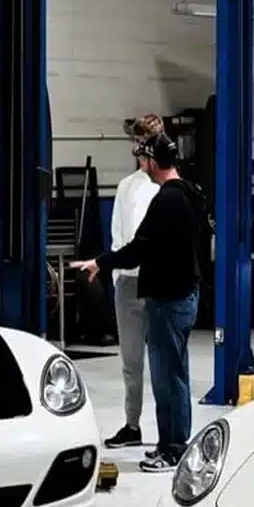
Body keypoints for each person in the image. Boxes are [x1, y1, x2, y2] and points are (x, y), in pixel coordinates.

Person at [72, 132, 205, 470]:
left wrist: (100, 262)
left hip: (167, 299)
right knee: (177, 372)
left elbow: (138, 249)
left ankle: (172, 448)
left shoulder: (166, 200)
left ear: (152, 162)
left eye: (144, 159)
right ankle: (177, 441)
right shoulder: (192, 193)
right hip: (187, 293)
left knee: (165, 376)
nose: (142, 165)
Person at [103, 117, 163, 450]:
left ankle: (169, 434)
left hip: (156, 283)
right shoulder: (127, 186)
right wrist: (118, 276)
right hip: (128, 282)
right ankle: (132, 424)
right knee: (132, 361)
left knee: (163, 360)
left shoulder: (166, 187)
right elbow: (117, 234)